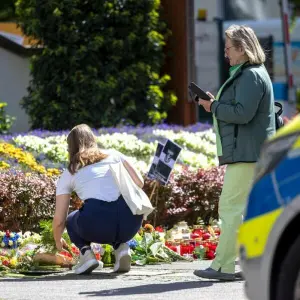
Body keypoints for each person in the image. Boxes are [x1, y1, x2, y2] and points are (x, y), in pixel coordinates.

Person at [194, 25, 276, 281]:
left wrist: (214, 106)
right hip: (253, 152)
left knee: (229, 207)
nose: (226, 53)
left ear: (242, 48)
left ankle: (223, 266)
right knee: (248, 210)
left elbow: (243, 114)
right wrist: (215, 104)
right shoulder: (250, 73)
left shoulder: (250, 75)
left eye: (229, 48)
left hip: (248, 154)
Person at [52, 124, 144, 275]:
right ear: (93, 140)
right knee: (115, 215)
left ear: (71, 147)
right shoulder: (115, 155)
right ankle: (121, 249)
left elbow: (60, 220)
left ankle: (86, 255)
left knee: (71, 219)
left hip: (97, 223)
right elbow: (140, 182)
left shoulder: (70, 172)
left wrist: (57, 240)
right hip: (131, 221)